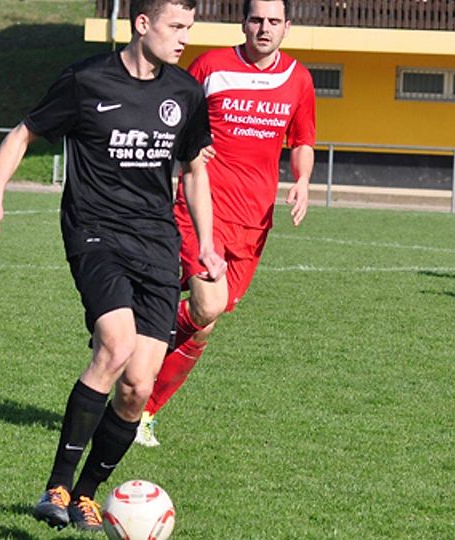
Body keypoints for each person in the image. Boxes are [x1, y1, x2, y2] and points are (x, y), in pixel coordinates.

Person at [0, 0, 226, 532]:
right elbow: (24, 132)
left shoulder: (184, 92)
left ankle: (87, 494)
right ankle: (57, 487)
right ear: (143, 24)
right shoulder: (87, 81)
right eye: (176, 27)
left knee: (137, 386)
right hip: (96, 234)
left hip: (157, 244)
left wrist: (205, 241)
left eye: (189, 28)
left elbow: (195, 171)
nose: (184, 38)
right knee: (114, 346)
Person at [135, 0, 315, 447]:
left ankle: (144, 407)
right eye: (257, 19)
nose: (264, 28)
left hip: (255, 222)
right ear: (244, 23)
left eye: (274, 21)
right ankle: (136, 339)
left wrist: (304, 181)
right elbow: (169, 110)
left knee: (205, 319)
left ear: (287, 28)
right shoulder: (210, 66)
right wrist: (187, 144)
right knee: (208, 306)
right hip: (202, 210)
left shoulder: (299, 79)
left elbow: (304, 139)